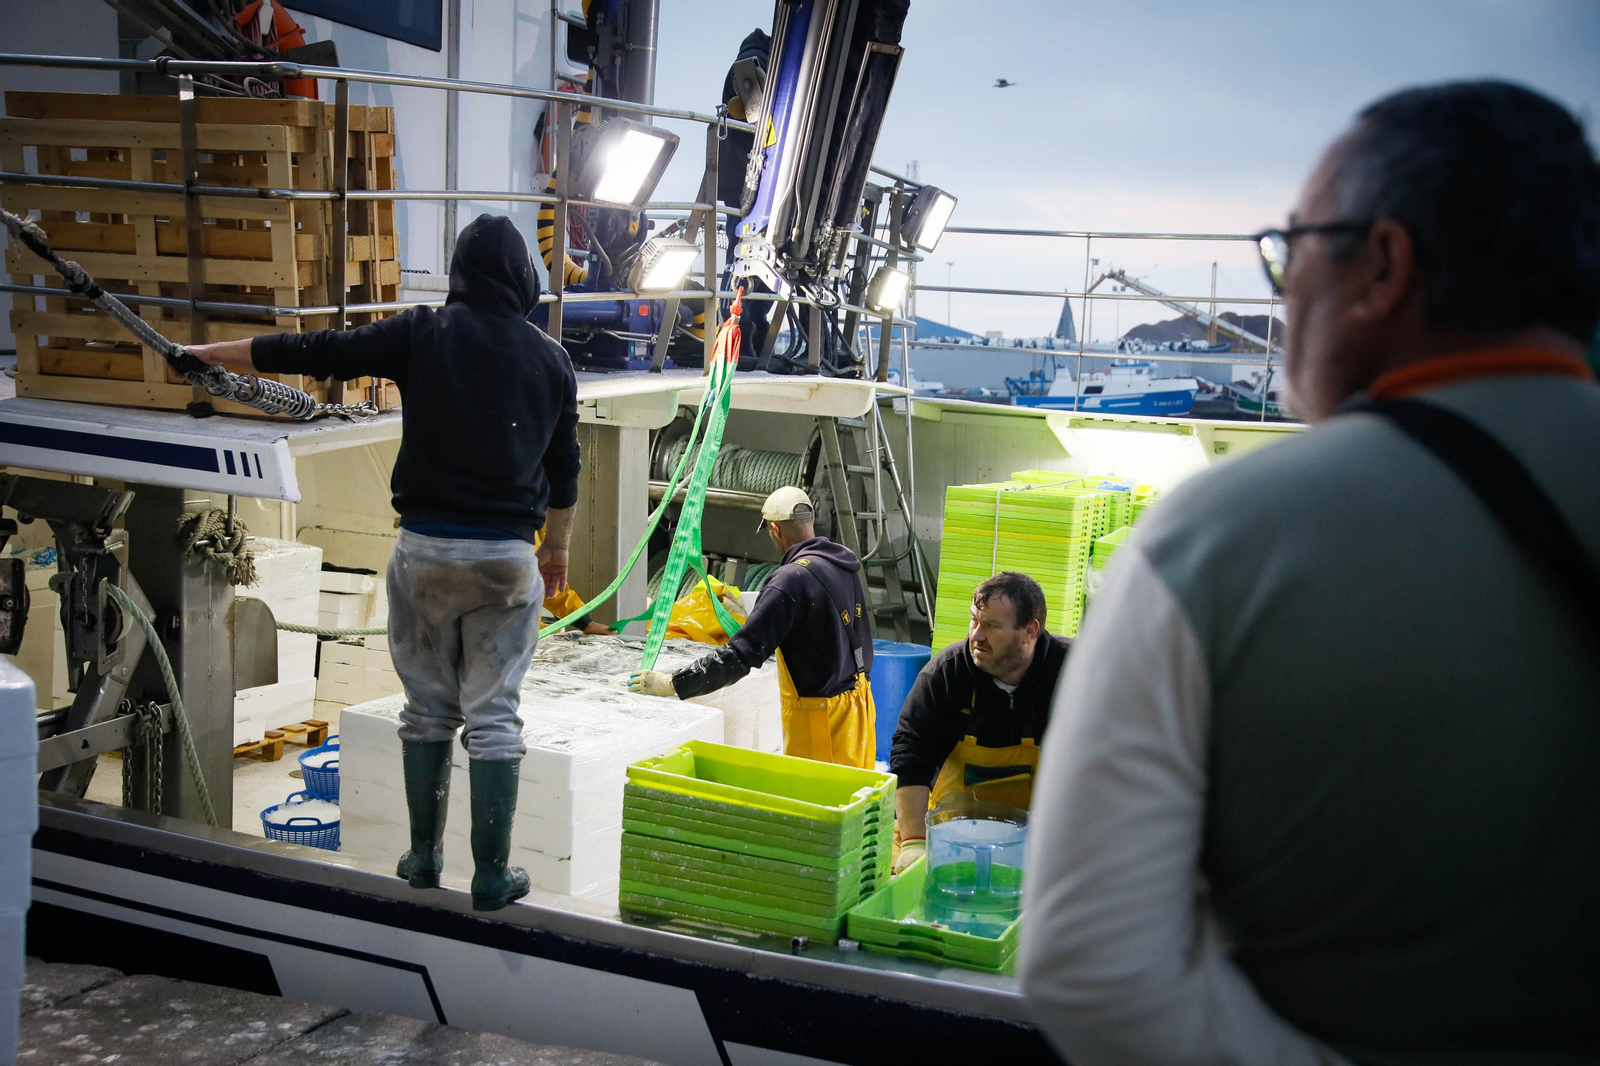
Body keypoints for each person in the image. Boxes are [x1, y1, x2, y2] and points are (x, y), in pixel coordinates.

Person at [1020, 81, 1600, 1065]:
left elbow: (1090, 967)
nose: (1279, 292)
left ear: (1382, 265)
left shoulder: (1218, 536)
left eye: (1292, 249)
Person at [191, 214, 581, 913]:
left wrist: (210, 354)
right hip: (505, 561)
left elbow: (319, 349)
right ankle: (492, 876)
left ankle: (424, 858)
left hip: (425, 553)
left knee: (426, 712)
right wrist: (556, 549)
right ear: (524, 277)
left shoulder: (425, 331)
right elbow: (567, 467)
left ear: (459, 273)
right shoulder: (552, 359)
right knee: (494, 717)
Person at [627, 486, 877, 768]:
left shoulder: (789, 580)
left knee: (821, 807)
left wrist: (673, 683)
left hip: (820, 722)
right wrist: (756, 613)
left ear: (775, 529)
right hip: (858, 710)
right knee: (857, 799)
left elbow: (739, 657)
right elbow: (820, 625)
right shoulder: (843, 564)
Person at [888, 572, 1069, 874]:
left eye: (992, 626)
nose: (976, 635)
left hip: (1042, 846)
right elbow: (910, 755)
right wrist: (914, 842)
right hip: (952, 839)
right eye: (974, 621)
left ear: (1030, 630)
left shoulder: (1074, 674)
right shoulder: (946, 674)